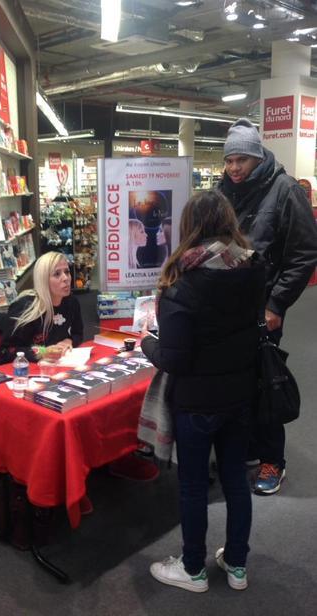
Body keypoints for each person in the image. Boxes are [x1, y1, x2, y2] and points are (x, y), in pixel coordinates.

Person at [141, 190, 265, 593]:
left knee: (193, 485)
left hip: (196, 402)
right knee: (234, 479)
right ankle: (237, 563)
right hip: (241, 394)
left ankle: (193, 568)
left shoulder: (183, 284)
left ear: (189, 227)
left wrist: (146, 343)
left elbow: (173, 357)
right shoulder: (252, 269)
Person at [218, 118, 317, 495]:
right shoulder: (225, 190)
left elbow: (305, 253)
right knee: (236, 381)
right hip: (228, 304)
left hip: (265, 307)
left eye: (241, 159)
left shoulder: (285, 189)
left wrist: (276, 305)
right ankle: (248, 447)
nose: (234, 168)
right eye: (229, 161)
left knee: (266, 382)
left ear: (258, 157)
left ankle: (273, 459)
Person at [0, 251, 83, 363]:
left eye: (67, 272)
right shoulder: (25, 307)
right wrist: (42, 352)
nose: (66, 278)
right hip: (26, 370)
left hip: (56, 365)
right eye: (57, 274)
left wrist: (69, 341)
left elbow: (78, 333)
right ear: (43, 280)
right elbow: (6, 351)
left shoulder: (71, 302)